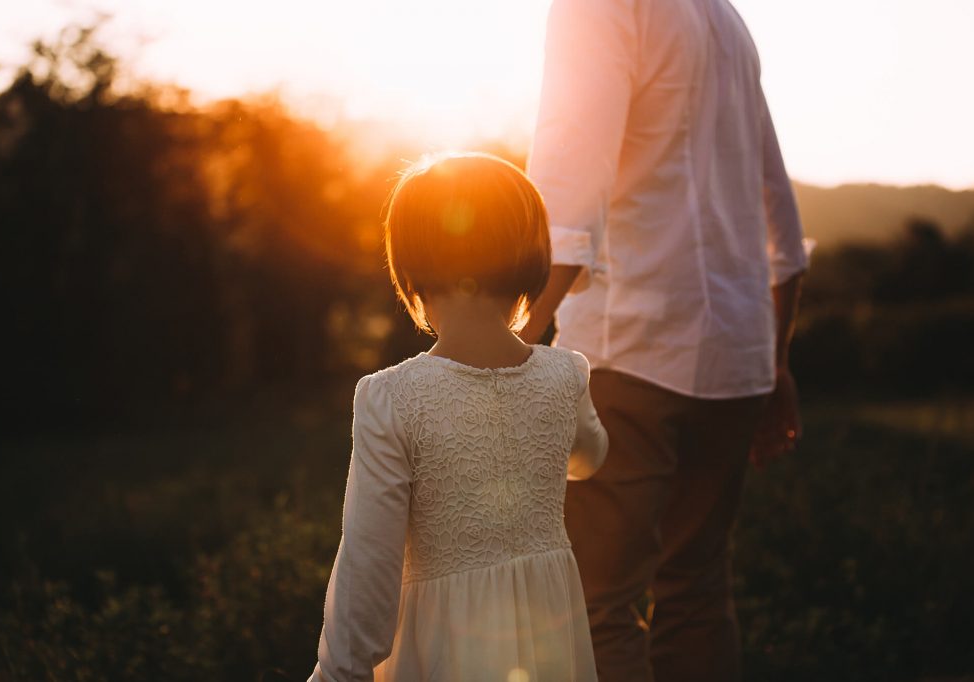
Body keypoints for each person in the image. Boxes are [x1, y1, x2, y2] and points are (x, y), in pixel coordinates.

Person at [522, 0, 811, 680]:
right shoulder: (723, 18)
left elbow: (568, 188)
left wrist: (515, 341)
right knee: (699, 593)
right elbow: (778, 206)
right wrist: (776, 353)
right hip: (737, 359)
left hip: (629, 353)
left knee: (600, 605)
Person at [309, 152, 608, 682]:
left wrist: (339, 673)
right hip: (551, 640)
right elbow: (589, 456)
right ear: (531, 259)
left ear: (411, 266)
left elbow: (368, 563)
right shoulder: (567, 375)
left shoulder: (392, 397)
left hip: (444, 646)